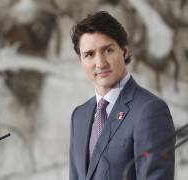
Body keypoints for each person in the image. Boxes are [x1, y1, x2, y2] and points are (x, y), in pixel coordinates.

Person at [69, 11, 175, 180]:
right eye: (89, 54)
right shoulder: (79, 116)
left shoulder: (150, 111)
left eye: (108, 50)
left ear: (124, 51)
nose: (100, 63)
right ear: (81, 60)